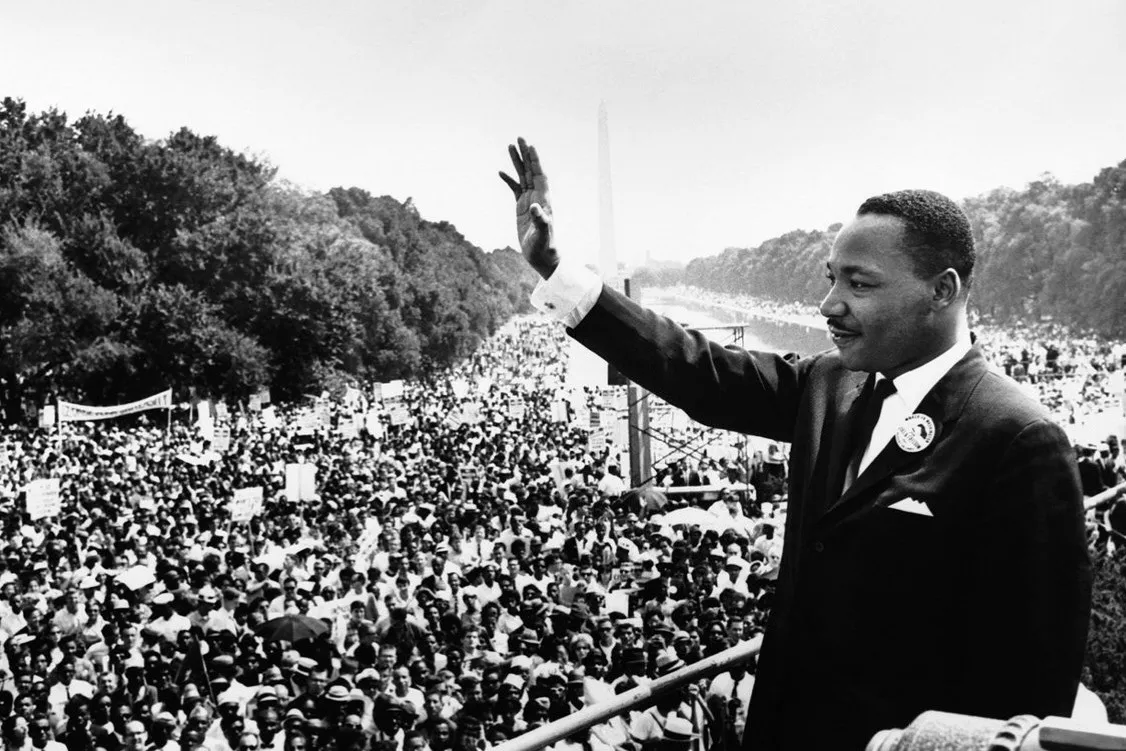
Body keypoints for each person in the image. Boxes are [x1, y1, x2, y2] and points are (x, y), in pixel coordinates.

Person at [499, 138, 1091, 751]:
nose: (828, 304)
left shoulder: (1018, 438)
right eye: (831, 278)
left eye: (858, 284)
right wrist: (556, 270)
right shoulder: (830, 382)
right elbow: (695, 369)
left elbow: (1028, 687)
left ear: (941, 291)